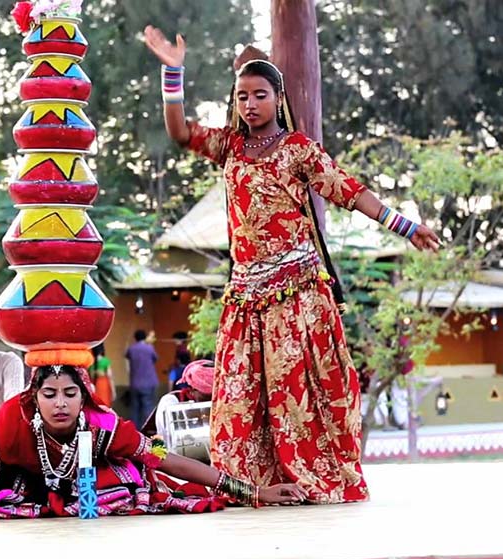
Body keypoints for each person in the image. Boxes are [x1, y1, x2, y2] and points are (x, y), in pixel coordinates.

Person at [143, 26, 440, 504]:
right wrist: (172, 72)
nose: (250, 104)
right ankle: (252, 487)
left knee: (295, 396)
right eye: (242, 97)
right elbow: (179, 132)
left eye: (260, 95)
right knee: (238, 398)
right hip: (245, 297)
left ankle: (312, 482)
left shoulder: (298, 148)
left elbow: (350, 190)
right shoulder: (229, 147)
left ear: (278, 98)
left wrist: (406, 226)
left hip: (296, 295)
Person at [0, 363, 306, 520]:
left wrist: (253, 492)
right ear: (34, 396)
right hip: (25, 480)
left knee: (135, 483)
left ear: (83, 397)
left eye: (69, 393)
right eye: (49, 394)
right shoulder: (10, 420)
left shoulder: (105, 425)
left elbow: (166, 459)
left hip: (95, 483)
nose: (60, 403)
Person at [143, 359, 214, 439]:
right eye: (206, 397)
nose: (210, 401)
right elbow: (164, 438)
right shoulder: (170, 402)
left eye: (214, 397)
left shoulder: (221, 403)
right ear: (192, 388)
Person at [124, 329, 159, 429]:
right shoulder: (149, 348)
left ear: (135, 338)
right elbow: (155, 359)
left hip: (135, 383)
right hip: (149, 382)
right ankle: (148, 429)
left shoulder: (131, 349)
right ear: (144, 337)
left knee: (134, 409)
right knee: (148, 407)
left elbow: (127, 356)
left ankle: (134, 431)